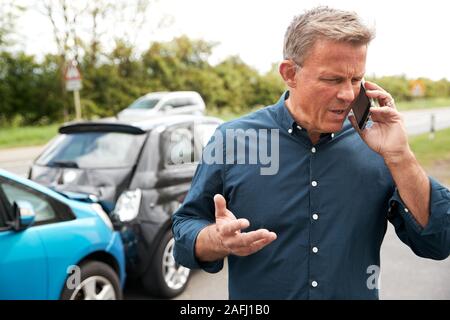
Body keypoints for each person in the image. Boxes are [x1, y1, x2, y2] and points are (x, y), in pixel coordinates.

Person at [171, 6, 450, 299]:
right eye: (332, 80)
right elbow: (185, 229)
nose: (347, 94)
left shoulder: (380, 145)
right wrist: (215, 240)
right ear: (290, 73)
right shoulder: (232, 140)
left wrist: (400, 156)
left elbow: (438, 242)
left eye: (356, 80)